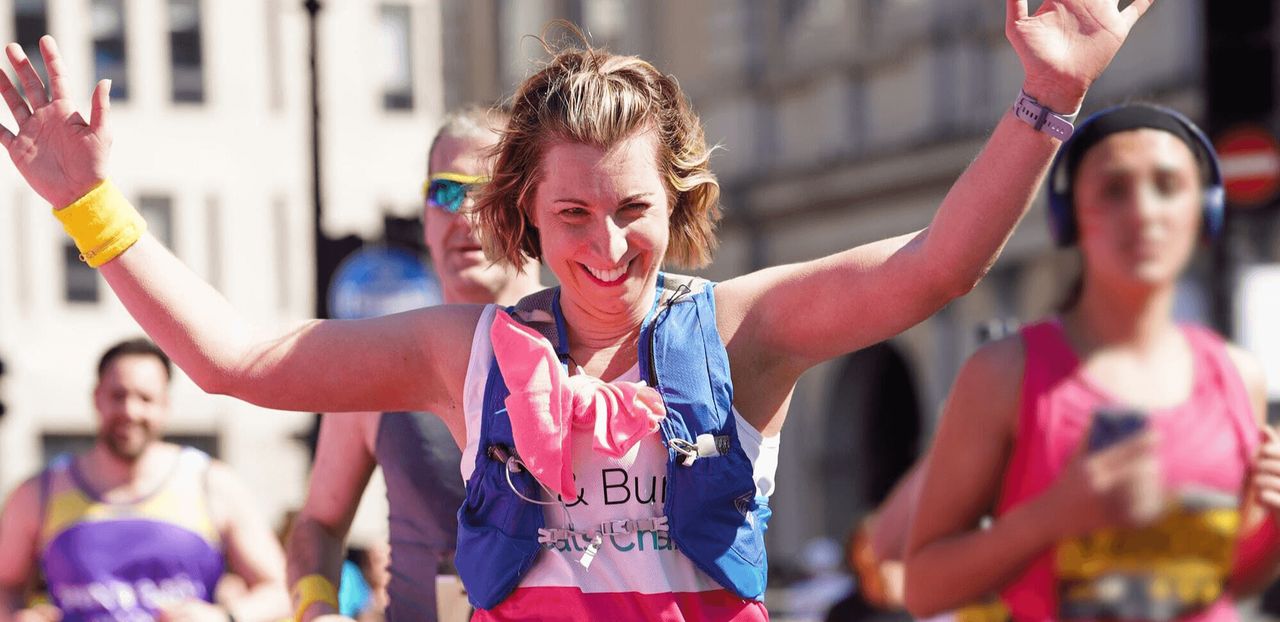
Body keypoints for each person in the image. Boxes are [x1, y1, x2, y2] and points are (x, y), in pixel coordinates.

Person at [1, 1, 1154, 618]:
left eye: (633, 209)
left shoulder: (742, 330)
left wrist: (1046, 99)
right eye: (571, 217)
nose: (607, 249)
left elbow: (936, 267)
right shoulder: (462, 350)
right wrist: (89, 204)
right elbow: (236, 359)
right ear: (524, 218)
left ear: (679, 198)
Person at [904, 103, 1280, 621]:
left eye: (1168, 186)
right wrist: (1051, 517)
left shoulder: (1240, 376)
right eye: (1113, 190)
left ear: (1205, 210)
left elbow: (1225, 581)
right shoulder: (1005, 373)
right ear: (1069, 214)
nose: (1143, 212)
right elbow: (922, 588)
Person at [285, 106, 542, 622]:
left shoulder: (587, 339)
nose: (465, 214)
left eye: (488, 191)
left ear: (532, 209)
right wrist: (316, 610)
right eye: (445, 192)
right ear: (424, 219)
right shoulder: (382, 359)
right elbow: (316, 523)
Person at [0, 338, 291, 621]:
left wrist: (226, 616)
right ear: (97, 398)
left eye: (145, 398)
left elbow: (282, 590)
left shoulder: (212, 484)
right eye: (118, 395)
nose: (130, 411)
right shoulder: (39, 493)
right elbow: (5, 586)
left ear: (165, 405)